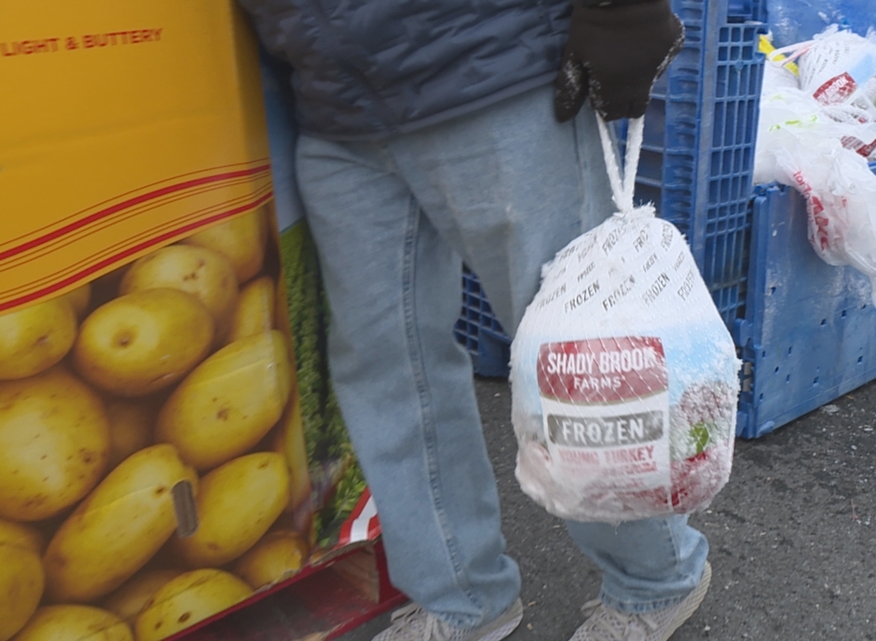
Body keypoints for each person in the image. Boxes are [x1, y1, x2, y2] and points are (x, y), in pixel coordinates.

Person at [238, 1, 711, 639]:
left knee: (582, 363)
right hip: (333, 103)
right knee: (384, 366)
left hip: (486, 64)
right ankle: (463, 598)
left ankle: (657, 580)